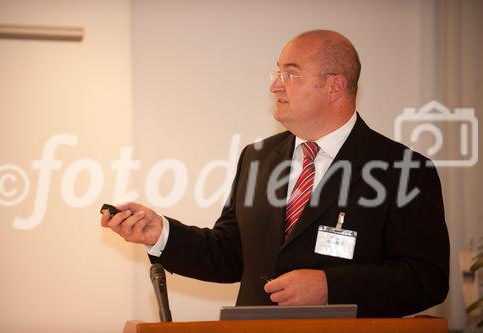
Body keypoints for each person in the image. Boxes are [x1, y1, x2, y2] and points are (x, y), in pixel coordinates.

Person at [101, 30, 449, 317]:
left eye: (291, 74)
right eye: (277, 73)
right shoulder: (258, 158)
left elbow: (426, 278)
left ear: (334, 87)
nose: (275, 86)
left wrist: (331, 287)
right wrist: (161, 233)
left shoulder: (404, 170)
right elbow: (231, 254)